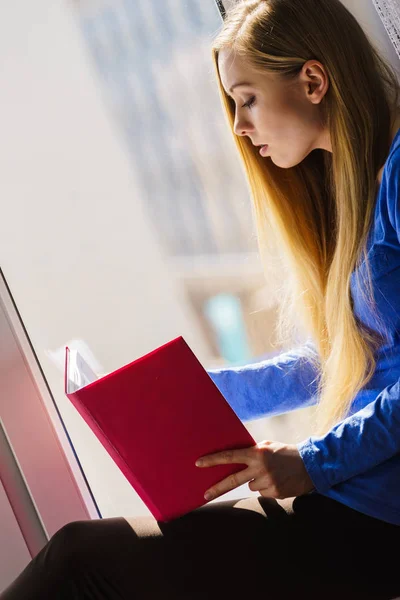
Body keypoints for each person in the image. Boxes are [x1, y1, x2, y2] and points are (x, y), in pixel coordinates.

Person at [3, 0, 400, 598]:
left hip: (373, 524)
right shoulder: (357, 191)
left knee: (77, 561)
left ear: (313, 81)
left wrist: (313, 462)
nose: (239, 127)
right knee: (81, 559)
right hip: (348, 503)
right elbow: (351, 356)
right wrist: (180, 396)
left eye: (247, 99)